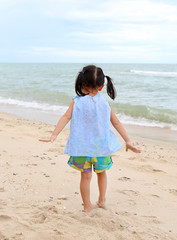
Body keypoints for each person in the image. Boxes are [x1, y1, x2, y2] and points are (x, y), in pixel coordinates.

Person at [39, 65, 140, 212]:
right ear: (101, 86)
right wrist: (128, 141)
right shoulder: (105, 104)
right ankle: (102, 200)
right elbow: (116, 123)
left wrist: (54, 135)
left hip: (82, 148)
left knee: (85, 177)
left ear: (83, 83)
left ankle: (87, 206)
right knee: (102, 173)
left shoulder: (77, 102)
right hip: (101, 148)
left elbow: (66, 117)